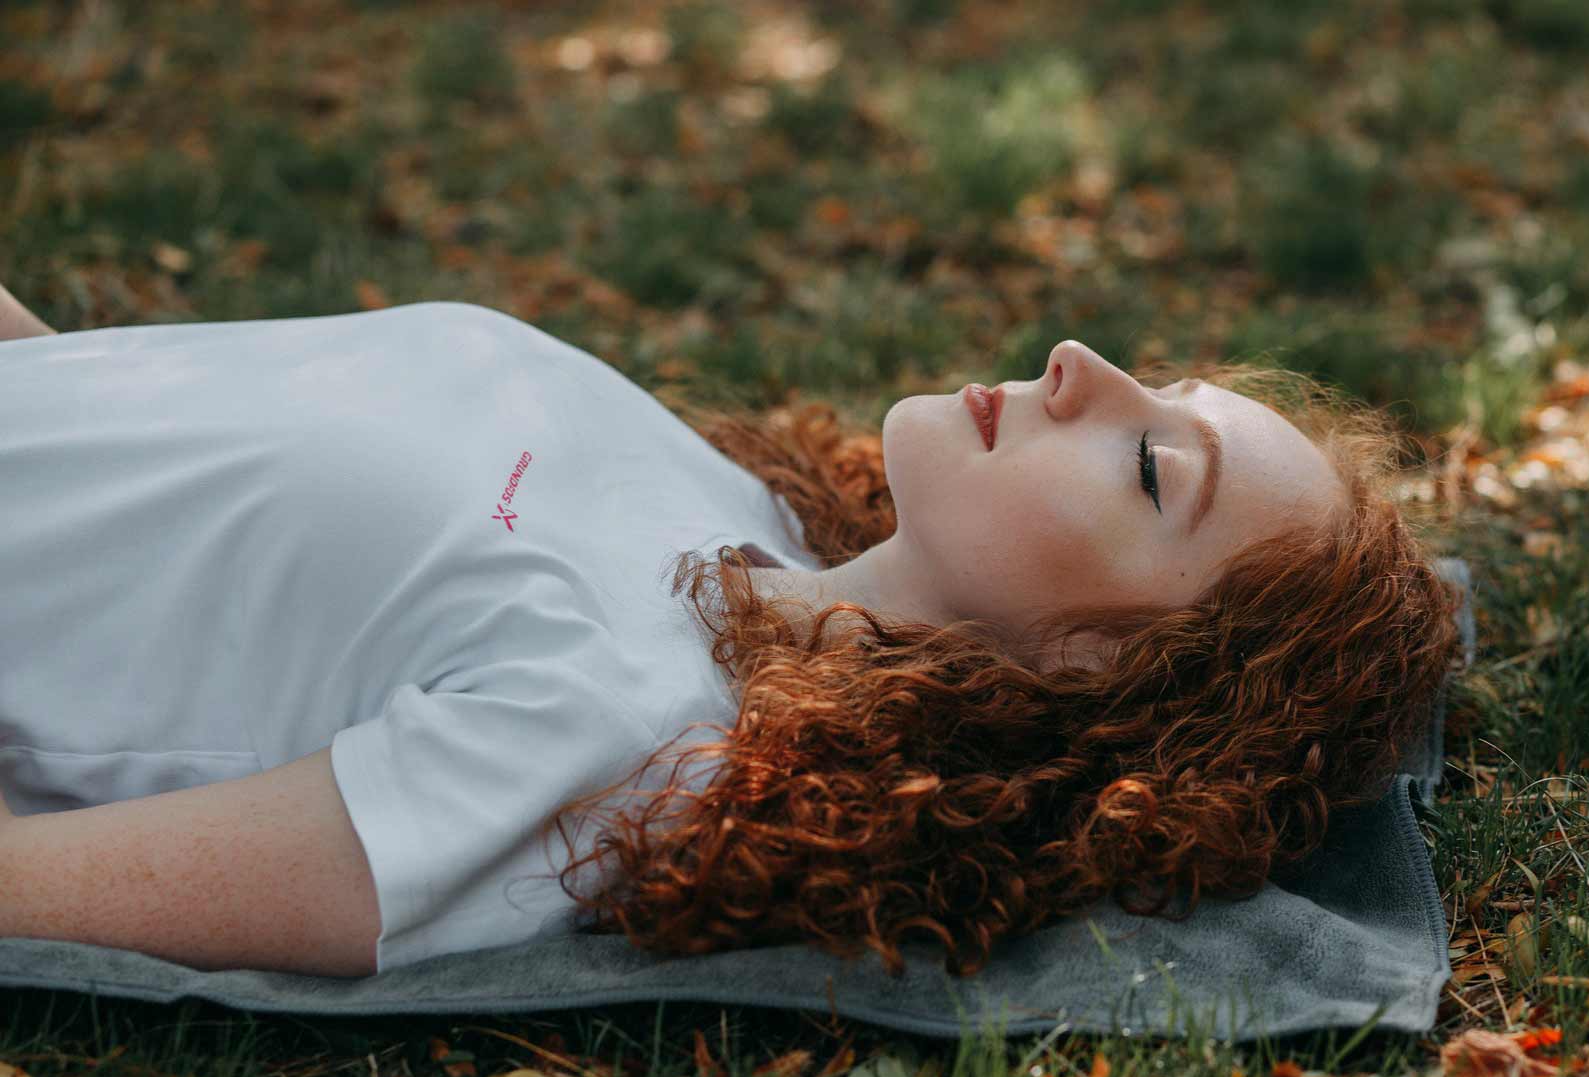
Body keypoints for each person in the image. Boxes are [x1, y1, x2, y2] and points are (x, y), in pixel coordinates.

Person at [0, 291, 1463, 980]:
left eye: (1152, 469)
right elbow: (135, 445)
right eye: (1167, 388)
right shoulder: (733, 508)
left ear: (1102, 671)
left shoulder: (628, 741)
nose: (1088, 366)